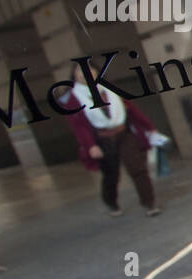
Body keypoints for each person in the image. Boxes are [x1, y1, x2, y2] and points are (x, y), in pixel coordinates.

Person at [61, 61, 161, 217]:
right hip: (102, 139)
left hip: (124, 134)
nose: (86, 73)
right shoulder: (72, 98)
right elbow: (79, 126)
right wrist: (91, 146)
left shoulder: (109, 88)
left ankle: (149, 202)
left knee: (138, 168)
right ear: (74, 75)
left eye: (89, 69)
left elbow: (131, 109)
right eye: (80, 71)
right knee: (111, 174)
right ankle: (111, 202)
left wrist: (148, 126)